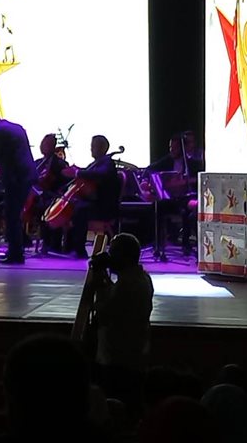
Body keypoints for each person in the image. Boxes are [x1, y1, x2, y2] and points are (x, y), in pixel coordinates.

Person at [90, 233, 153, 416]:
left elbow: (105, 312)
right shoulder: (140, 278)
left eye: (113, 253)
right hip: (130, 355)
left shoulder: (129, 285)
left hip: (119, 359)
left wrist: (99, 284)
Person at [0, 112, 34, 265]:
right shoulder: (17, 128)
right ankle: (17, 250)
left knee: (11, 215)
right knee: (14, 214)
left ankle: (15, 254)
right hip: (27, 175)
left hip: (15, 178)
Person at [61, 135, 122, 258]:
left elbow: (99, 174)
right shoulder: (97, 163)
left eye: (94, 146)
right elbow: (89, 173)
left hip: (104, 207)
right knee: (74, 207)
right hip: (95, 203)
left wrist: (77, 173)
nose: (91, 149)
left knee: (79, 210)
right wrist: (77, 171)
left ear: (102, 148)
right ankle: (65, 246)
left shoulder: (108, 163)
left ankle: (79, 250)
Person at [32, 133, 69, 252]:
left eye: (46, 144)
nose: (42, 146)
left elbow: (64, 184)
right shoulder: (38, 162)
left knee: (46, 206)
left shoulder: (60, 164)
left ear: (53, 147)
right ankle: (22, 240)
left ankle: (51, 243)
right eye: (42, 144)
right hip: (39, 194)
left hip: (54, 195)